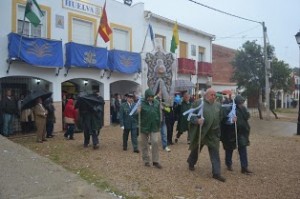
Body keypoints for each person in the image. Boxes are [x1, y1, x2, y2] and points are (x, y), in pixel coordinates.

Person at [187, 88, 226, 182]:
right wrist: (196, 120)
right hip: (202, 132)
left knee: (215, 152)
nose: (214, 97)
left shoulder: (218, 105)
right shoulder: (198, 103)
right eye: (212, 95)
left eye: (214, 95)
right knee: (196, 149)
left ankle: (216, 173)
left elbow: (221, 117)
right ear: (206, 95)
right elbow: (190, 115)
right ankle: (191, 162)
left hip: (213, 133)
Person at [221, 95, 252, 175]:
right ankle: (228, 164)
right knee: (229, 149)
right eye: (241, 103)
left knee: (243, 149)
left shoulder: (243, 109)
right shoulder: (230, 109)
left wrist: (246, 113)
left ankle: (244, 167)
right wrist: (231, 119)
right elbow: (224, 120)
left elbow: (247, 117)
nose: (242, 104)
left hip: (241, 133)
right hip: (231, 133)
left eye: (243, 102)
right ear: (237, 103)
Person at [139, 88, 162, 168]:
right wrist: (138, 111)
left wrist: (159, 122)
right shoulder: (141, 103)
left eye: (152, 96)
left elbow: (159, 113)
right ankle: (146, 160)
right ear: (146, 96)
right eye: (149, 97)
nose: (151, 98)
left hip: (154, 125)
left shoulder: (156, 103)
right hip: (144, 126)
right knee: (144, 144)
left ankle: (155, 161)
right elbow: (135, 115)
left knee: (155, 142)